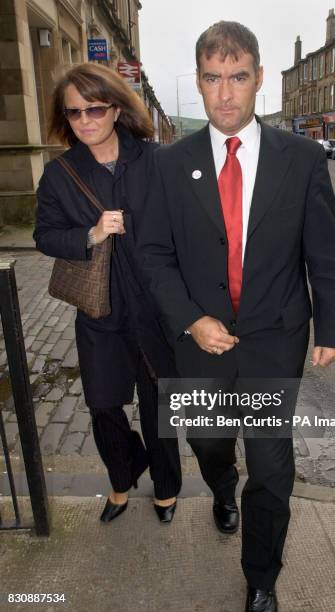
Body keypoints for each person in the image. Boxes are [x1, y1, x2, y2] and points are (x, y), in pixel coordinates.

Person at [138, 21, 335, 612]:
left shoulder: (302, 158)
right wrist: (190, 319)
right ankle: (220, 484)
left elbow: (325, 251)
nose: (225, 93)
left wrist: (331, 328)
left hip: (272, 339)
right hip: (196, 342)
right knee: (208, 441)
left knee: (271, 460)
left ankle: (261, 576)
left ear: (257, 79)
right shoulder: (169, 164)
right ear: (199, 84)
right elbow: (153, 254)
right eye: (212, 79)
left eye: (237, 77)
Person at [34, 63, 181, 525]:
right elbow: (44, 236)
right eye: (74, 113)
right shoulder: (60, 174)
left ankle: (166, 488)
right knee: (102, 403)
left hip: (155, 306)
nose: (84, 121)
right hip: (101, 309)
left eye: (94, 109)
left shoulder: (155, 160)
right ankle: (123, 477)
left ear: (115, 108)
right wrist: (90, 234)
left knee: (159, 404)